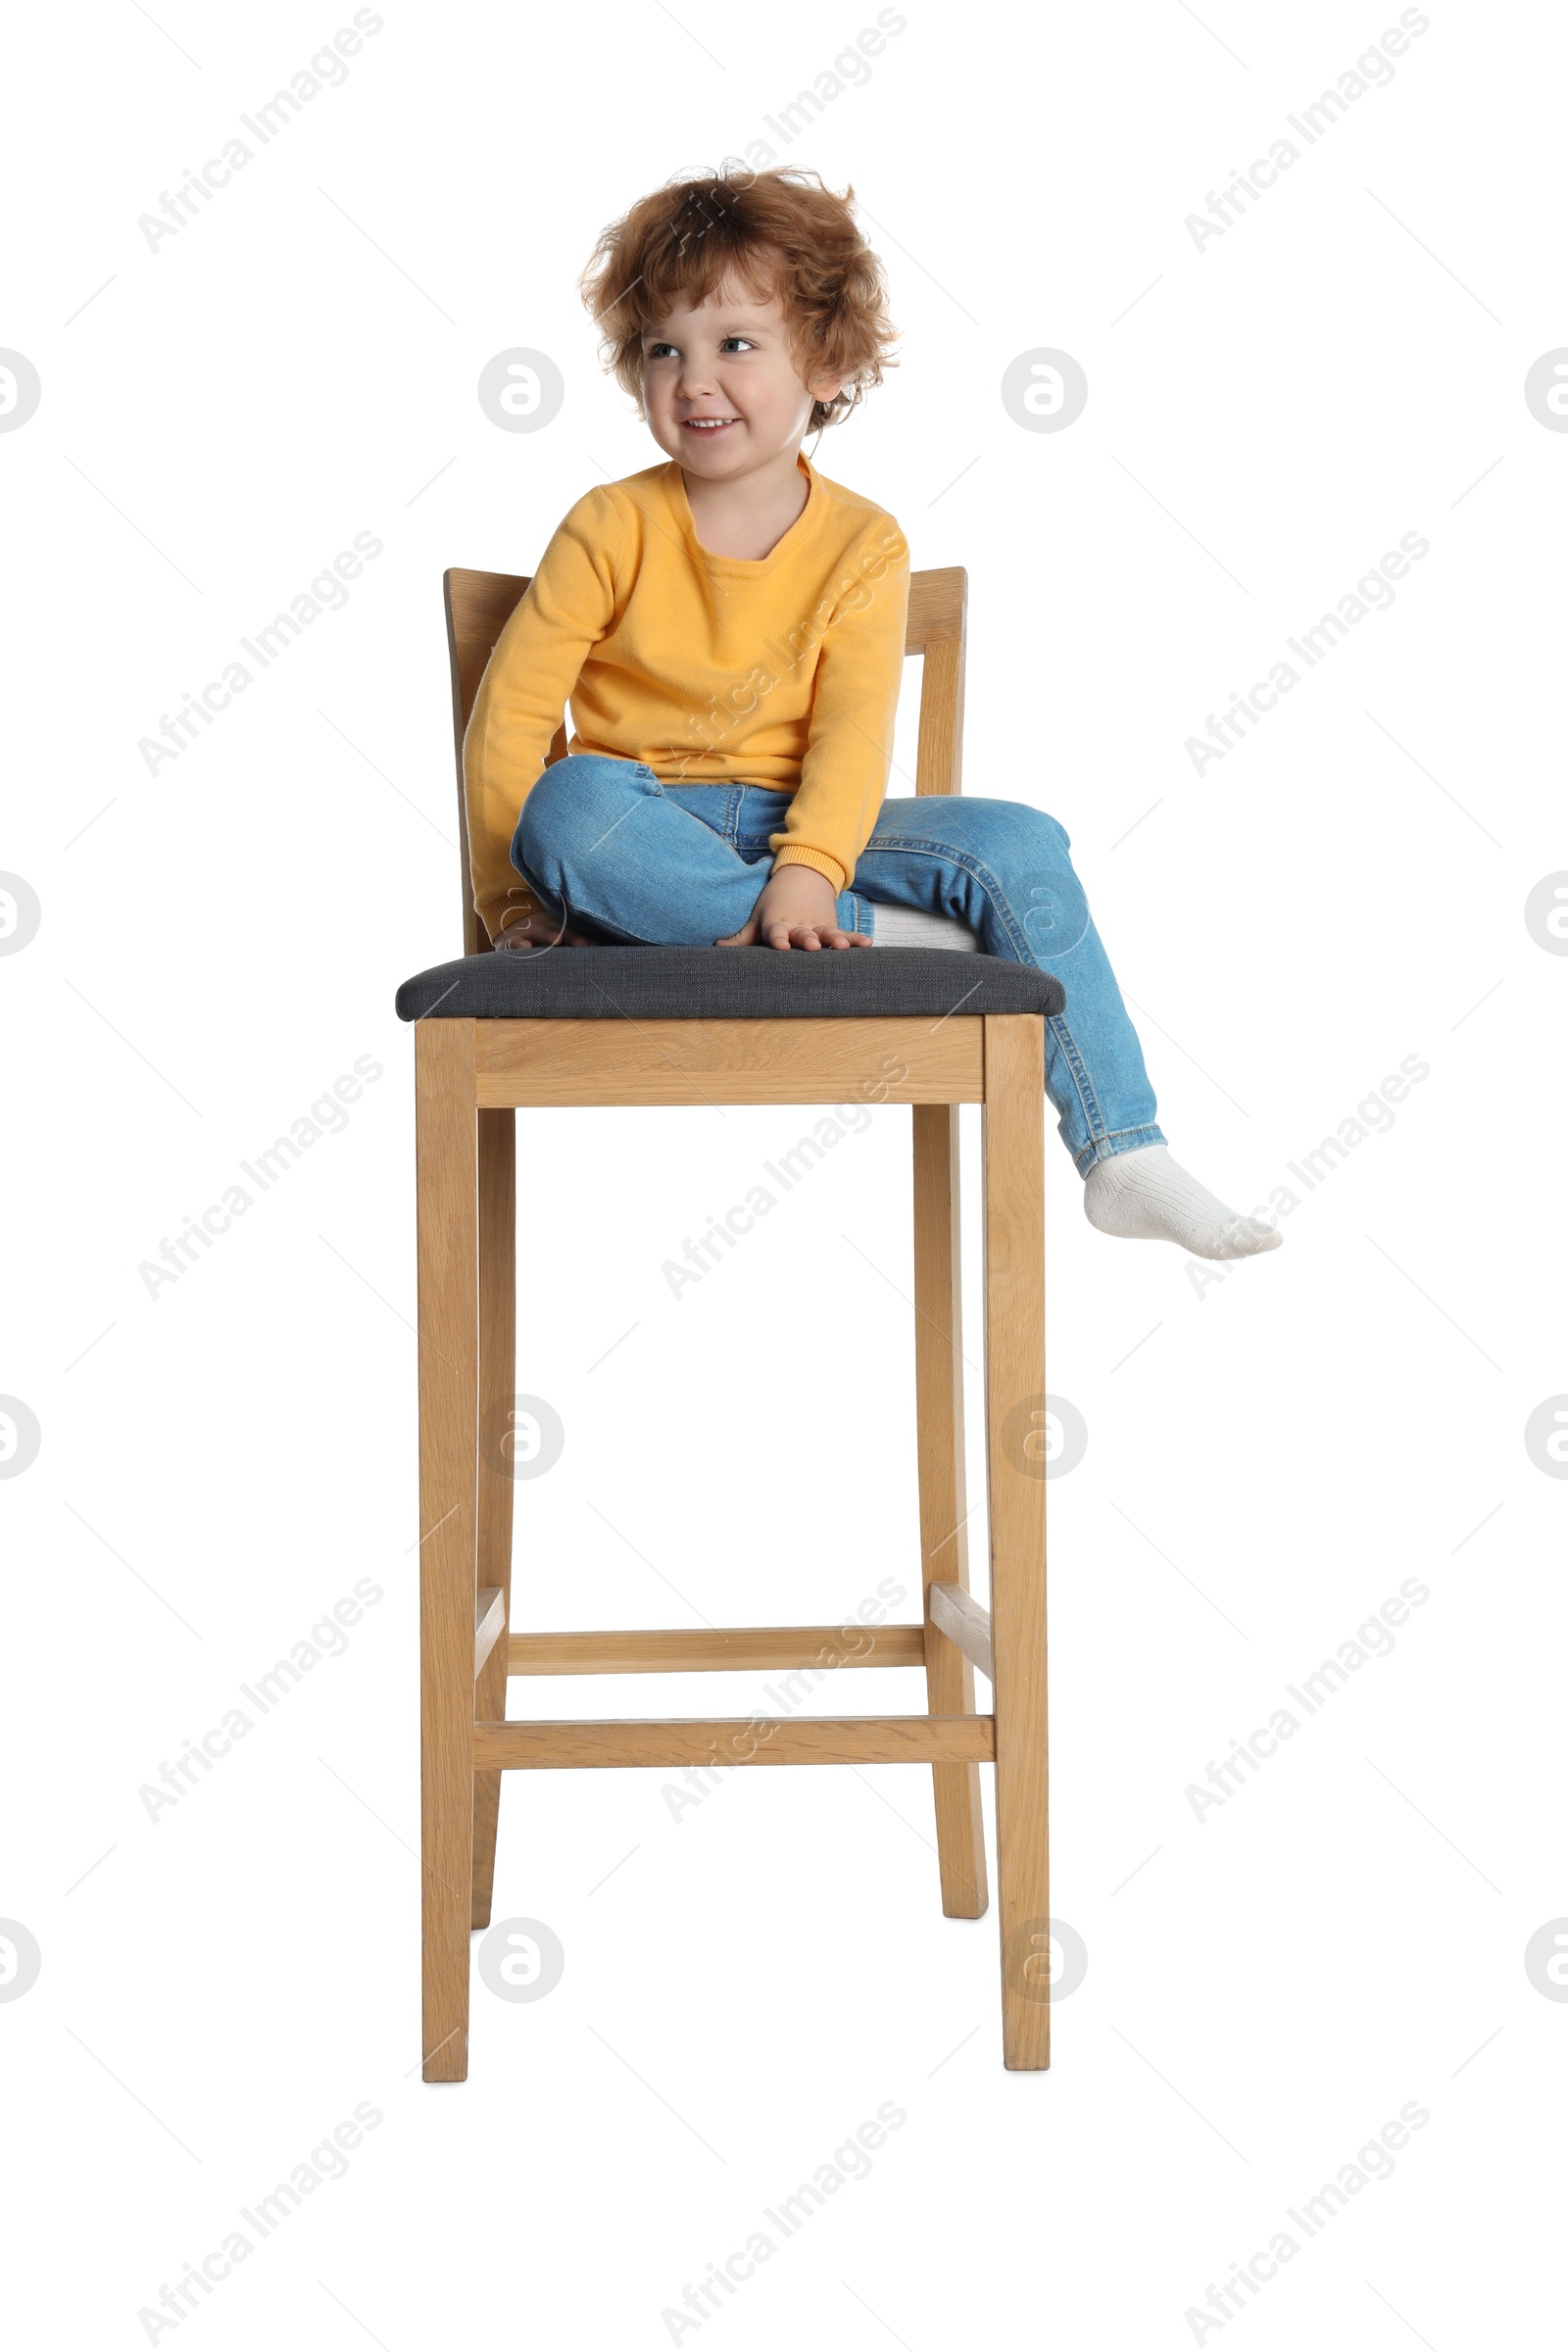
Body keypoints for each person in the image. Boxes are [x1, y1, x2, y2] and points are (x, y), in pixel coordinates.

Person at [463, 164, 1281, 1263]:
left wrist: (810, 867)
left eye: (735, 344)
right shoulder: (610, 525)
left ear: (829, 364)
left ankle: (1122, 1149)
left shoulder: (863, 542)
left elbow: (852, 736)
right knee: (568, 804)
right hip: (643, 825)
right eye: (666, 348)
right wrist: (513, 896)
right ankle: (885, 946)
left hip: (810, 827)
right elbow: (510, 721)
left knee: (1018, 839)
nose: (695, 379)